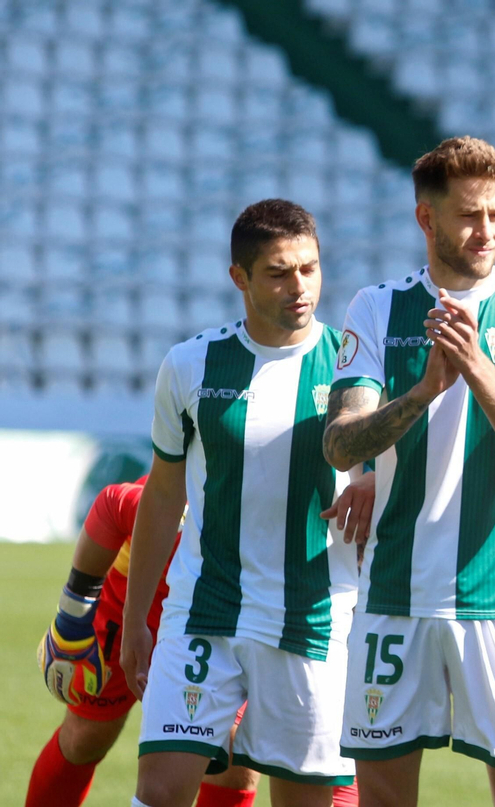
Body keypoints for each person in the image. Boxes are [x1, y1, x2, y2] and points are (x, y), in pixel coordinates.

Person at [322, 136, 495, 807]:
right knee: (381, 795)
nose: (486, 230)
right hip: (394, 595)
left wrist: (476, 368)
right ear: (426, 219)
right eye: (469, 215)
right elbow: (342, 445)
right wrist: (423, 392)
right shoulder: (377, 308)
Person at [120, 200, 370, 807]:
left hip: (312, 619)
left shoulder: (353, 366)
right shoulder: (190, 365)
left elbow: (394, 471)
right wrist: (135, 623)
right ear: (240, 277)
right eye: (280, 272)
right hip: (206, 610)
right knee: (159, 790)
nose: (300, 286)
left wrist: (370, 478)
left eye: (309, 269)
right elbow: (162, 495)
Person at [30, 477, 262, 806]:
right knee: (86, 737)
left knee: (233, 750)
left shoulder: (278, 513)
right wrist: (71, 619)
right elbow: (112, 506)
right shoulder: (185, 507)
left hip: (229, 613)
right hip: (136, 595)